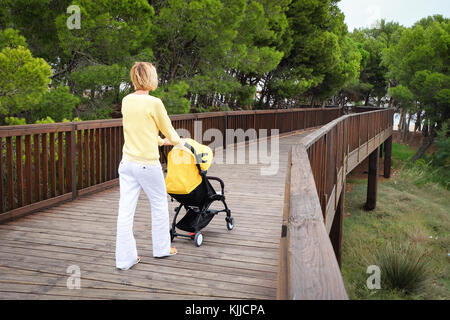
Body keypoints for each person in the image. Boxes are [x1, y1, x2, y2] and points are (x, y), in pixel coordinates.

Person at [115, 62, 181, 270]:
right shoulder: (155, 103)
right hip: (147, 164)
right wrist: (177, 141)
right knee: (159, 203)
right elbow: (170, 132)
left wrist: (160, 141)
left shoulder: (126, 100)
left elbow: (141, 130)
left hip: (127, 163)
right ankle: (162, 248)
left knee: (125, 211)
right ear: (150, 78)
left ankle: (125, 259)